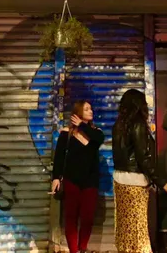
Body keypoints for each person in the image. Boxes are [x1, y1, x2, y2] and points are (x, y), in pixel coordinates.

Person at [112, 89, 167, 253]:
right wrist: (162, 182)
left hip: (120, 181)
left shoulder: (118, 125)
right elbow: (143, 158)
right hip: (135, 183)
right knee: (138, 229)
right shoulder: (138, 124)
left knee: (125, 228)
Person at [52, 101, 104, 253]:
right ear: (79, 112)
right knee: (71, 218)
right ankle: (74, 250)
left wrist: (82, 125)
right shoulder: (66, 133)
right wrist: (56, 178)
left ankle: (82, 247)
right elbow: (59, 157)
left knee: (87, 218)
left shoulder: (95, 132)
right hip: (71, 180)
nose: (90, 111)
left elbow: (99, 139)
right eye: (86, 109)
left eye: (91, 108)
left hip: (90, 182)